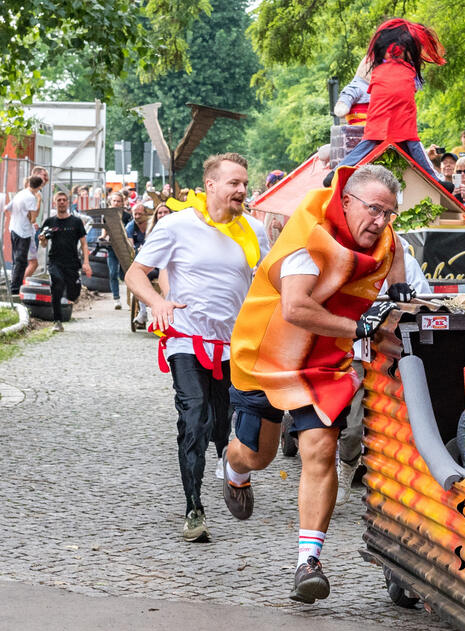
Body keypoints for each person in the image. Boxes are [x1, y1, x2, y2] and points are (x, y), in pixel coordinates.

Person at [221, 164, 410, 604]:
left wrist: (399, 298)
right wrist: (361, 327)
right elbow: (296, 309)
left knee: (320, 449)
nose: (381, 221)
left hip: (326, 362)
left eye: (389, 213)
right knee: (259, 455)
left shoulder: (386, 241)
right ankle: (234, 468)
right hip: (269, 354)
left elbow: (395, 258)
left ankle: (308, 562)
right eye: (374, 210)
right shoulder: (312, 238)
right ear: (346, 202)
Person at [125, 153, 270, 543]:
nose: (241, 190)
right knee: (194, 419)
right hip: (186, 339)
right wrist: (157, 303)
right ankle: (194, 508)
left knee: (224, 428)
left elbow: (269, 286)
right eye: (233, 183)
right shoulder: (176, 225)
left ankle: (233, 475)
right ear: (210, 185)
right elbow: (135, 273)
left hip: (232, 346)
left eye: (244, 183)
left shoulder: (254, 231)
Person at [337, 235, 430, 504]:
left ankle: (391, 486)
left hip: (390, 356)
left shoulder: (406, 261)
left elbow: (422, 302)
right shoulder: (344, 257)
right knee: (353, 426)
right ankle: (346, 466)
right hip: (354, 351)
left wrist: (401, 302)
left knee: (392, 424)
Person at [322, 19, 446, 187]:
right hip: (396, 117)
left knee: (369, 145)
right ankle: (436, 180)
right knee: (413, 147)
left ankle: (338, 170)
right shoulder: (399, 70)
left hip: (390, 116)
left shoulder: (383, 70)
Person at [37, 191, 91, 332]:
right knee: (57, 285)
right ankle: (57, 321)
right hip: (55, 260)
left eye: (64, 200)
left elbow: (84, 243)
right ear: (55, 203)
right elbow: (43, 244)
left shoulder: (76, 221)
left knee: (74, 293)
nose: (61, 202)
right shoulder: (50, 222)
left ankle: (71, 295)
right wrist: (43, 240)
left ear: (68, 202)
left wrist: (86, 262)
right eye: (59, 200)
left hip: (72, 262)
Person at [5, 175, 42, 295]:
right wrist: (39, 201)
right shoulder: (31, 197)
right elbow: (33, 218)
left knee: (17, 260)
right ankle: (15, 289)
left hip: (14, 228)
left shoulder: (20, 193)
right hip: (24, 232)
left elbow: (8, 208)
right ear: (39, 186)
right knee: (21, 261)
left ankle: (14, 286)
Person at [101, 191, 132, 309]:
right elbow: (105, 229)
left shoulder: (127, 216)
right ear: (110, 202)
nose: (116, 203)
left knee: (126, 275)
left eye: (119, 201)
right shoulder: (107, 215)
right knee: (112, 272)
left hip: (124, 248)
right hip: (111, 247)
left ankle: (131, 299)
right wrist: (103, 237)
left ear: (122, 203)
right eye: (114, 201)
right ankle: (116, 299)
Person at [23, 166, 50, 281]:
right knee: (32, 262)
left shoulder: (38, 191)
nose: (46, 178)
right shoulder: (32, 191)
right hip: (30, 228)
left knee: (31, 261)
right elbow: (29, 209)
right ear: (36, 175)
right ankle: (21, 284)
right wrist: (32, 222)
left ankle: (21, 283)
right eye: (44, 175)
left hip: (35, 228)